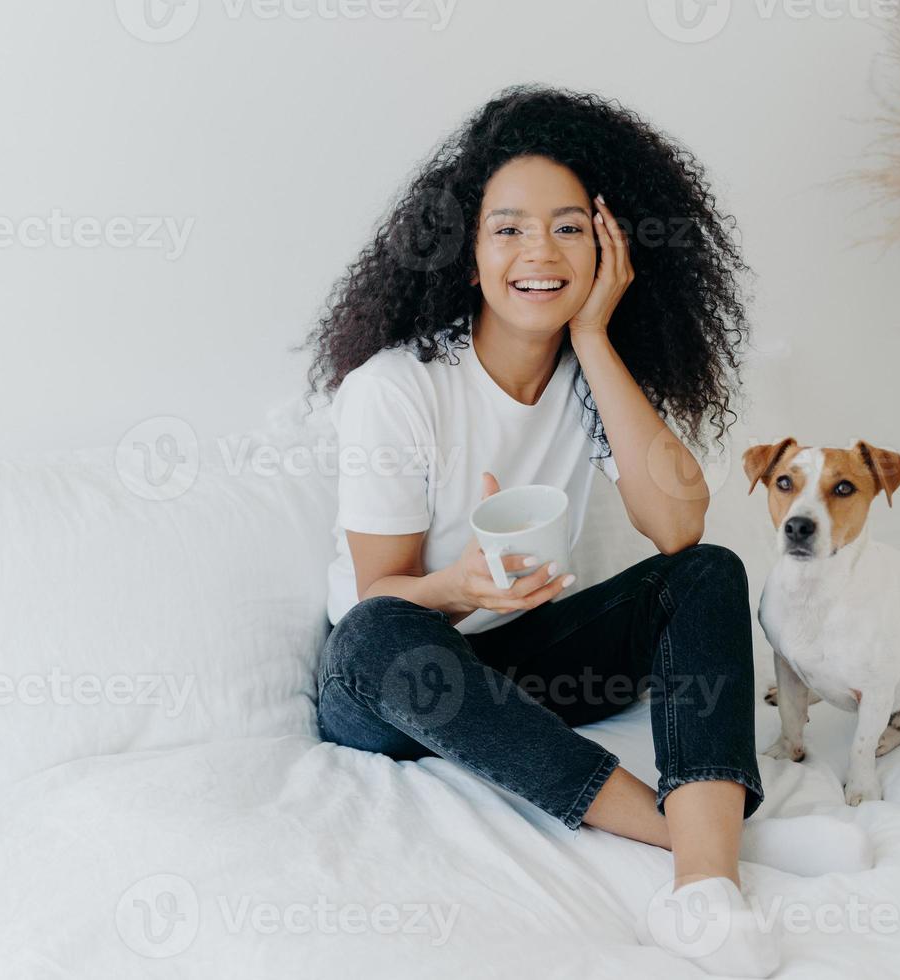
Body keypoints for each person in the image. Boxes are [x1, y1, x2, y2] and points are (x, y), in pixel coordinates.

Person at [299, 84, 777, 976]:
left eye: (568, 228)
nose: (539, 253)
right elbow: (379, 597)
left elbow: (678, 527)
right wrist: (458, 589)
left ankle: (707, 889)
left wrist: (594, 335)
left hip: (517, 665)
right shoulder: (399, 388)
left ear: (606, 244)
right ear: (468, 254)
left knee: (708, 572)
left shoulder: (592, 375)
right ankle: (695, 833)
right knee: (373, 635)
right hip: (392, 687)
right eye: (509, 228)